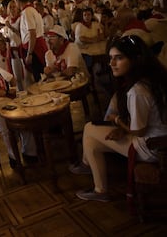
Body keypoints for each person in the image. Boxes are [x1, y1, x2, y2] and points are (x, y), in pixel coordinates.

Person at [70, 35, 167, 202]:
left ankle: (94, 177)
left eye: (119, 58)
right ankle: (98, 185)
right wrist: (122, 128)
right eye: (111, 58)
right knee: (92, 140)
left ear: (135, 59)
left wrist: (117, 121)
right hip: (159, 139)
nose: (111, 64)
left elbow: (139, 130)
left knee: (89, 129)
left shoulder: (137, 90)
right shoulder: (153, 76)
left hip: (153, 147)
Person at [13, 0, 48, 82]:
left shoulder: (27, 12)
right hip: (35, 45)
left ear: (17, 0)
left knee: (40, 78)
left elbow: (32, 34)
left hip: (34, 48)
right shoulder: (31, 10)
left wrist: (30, 53)